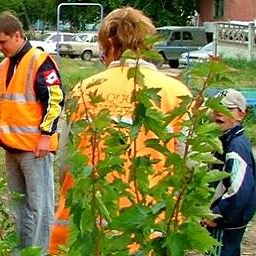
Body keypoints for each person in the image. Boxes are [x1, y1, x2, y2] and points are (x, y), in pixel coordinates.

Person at [48, 7, 193, 253]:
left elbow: (66, 163)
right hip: (151, 232)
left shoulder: (85, 90)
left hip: (90, 231)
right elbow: (188, 168)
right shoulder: (177, 94)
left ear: (109, 43)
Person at [0, 12, 63, 254]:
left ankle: (39, 251)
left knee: (40, 207)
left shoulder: (39, 61)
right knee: (18, 206)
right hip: (12, 147)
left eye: (3, 42)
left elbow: (55, 99)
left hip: (35, 148)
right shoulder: (5, 66)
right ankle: (21, 251)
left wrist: (47, 135)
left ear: (18, 35)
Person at [204, 89, 256, 256]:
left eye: (227, 109)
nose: (219, 113)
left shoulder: (235, 145)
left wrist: (218, 214)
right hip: (228, 220)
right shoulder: (225, 140)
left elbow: (239, 189)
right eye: (215, 109)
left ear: (241, 115)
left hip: (226, 222)